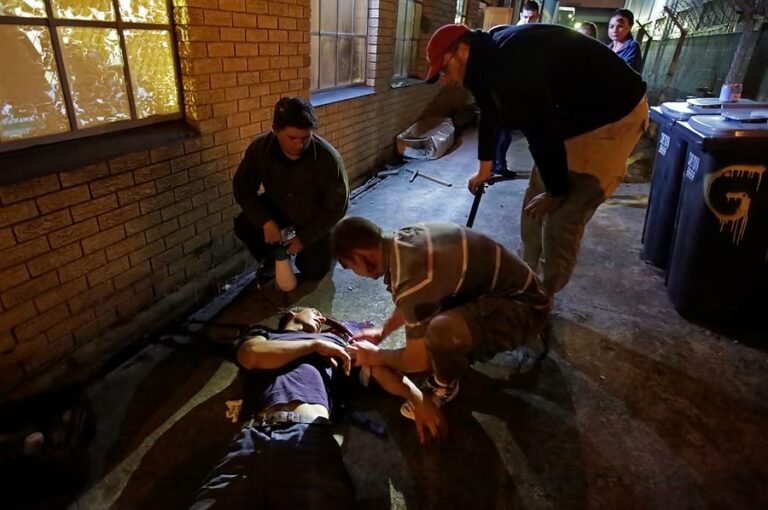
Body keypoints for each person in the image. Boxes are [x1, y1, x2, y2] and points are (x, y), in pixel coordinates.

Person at [422, 23, 648, 295]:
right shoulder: (484, 59)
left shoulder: (511, 66)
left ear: (462, 50)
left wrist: (557, 191)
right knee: (536, 200)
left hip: (614, 112)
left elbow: (541, 131)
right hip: (573, 112)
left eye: (444, 69)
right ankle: (524, 278)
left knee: (563, 213)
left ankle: (538, 298)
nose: (445, 78)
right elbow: (490, 114)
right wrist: (484, 168)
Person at [190, 307, 437, 509]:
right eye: (314, 311)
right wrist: (314, 345)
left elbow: (376, 369)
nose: (320, 317)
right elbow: (251, 355)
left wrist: (417, 397)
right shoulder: (264, 335)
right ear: (292, 313)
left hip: (309, 438)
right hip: (252, 438)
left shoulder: (335, 342)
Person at [331, 216, 551, 440]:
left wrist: (376, 356)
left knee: (441, 333)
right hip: (517, 291)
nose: (354, 272)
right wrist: (382, 331)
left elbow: (417, 360)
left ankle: (445, 385)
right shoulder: (403, 242)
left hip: (526, 309)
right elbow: (414, 300)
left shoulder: (411, 277)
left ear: (362, 256)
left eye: (350, 266)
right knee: (431, 318)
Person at [233, 97, 349, 283]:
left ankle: (326, 249)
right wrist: (266, 221)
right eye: (292, 138)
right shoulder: (260, 149)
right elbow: (242, 188)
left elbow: (337, 208)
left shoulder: (328, 159)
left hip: (313, 218)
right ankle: (274, 258)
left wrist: (304, 239)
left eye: (305, 138)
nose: (299, 145)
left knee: (314, 271)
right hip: (279, 210)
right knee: (244, 223)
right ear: (275, 129)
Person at [492, 1, 542, 177]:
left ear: (537, 16)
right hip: (503, 90)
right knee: (502, 132)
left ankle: (497, 165)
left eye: (532, 17)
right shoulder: (510, 33)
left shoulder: (536, 36)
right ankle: (496, 166)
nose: (528, 20)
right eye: (525, 16)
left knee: (506, 132)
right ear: (520, 15)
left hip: (519, 91)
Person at [607, 9, 642, 73]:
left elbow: (624, 72)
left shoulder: (632, 46)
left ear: (630, 27)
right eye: (611, 26)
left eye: (620, 26)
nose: (614, 30)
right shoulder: (607, 48)